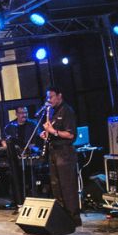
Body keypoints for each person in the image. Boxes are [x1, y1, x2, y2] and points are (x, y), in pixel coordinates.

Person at [41, 87, 81, 227]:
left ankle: (73, 218)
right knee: (56, 186)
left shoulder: (67, 111)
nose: (49, 100)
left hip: (65, 153)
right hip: (54, 152)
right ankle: (62, 217)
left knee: (67, 186)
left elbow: (70, 135)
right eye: (48, 97)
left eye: (51, 97)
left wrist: (53, 131)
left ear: (59, 96)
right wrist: (47, 134)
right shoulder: (52, 112)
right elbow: (53, 131)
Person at [0, 106, 39, 211]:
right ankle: (16, 201)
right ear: (16, 114)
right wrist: (7, 147)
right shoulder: (10, 126)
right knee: (14, 178)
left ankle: (31, 200)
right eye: (21, 113)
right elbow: (4, 140)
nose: (24, 115)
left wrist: (27, 149)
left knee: (29, 178)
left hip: (28, 155)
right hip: (14, 157)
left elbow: (34, 142)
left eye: (26, 112)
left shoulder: (32, 125)